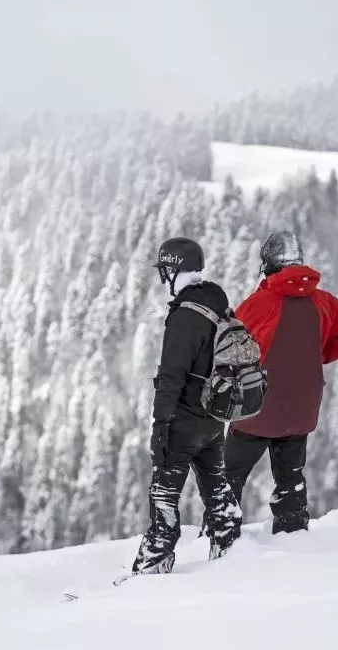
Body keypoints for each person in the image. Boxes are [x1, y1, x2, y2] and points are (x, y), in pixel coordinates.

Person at [224, 231, 338, 533]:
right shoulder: (324, 302)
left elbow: (228, 352)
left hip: (256, 409)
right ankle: (292, 534)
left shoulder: (255, 305)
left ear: (268, 265)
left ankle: (220, 534)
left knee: (230, 476)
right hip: (300, 408)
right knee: (291, 475)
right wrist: (312, 358)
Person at [131, 237, 242, 575]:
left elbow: (171, 376)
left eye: (166, 270)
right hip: (212, 420)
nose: (164, 277)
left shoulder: (184, 316)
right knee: (216, 486)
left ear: (174, 269)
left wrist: (160, 425)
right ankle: (232, 553)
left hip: (182, 421)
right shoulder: (219, 305)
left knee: (164, 493)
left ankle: (153, 563)